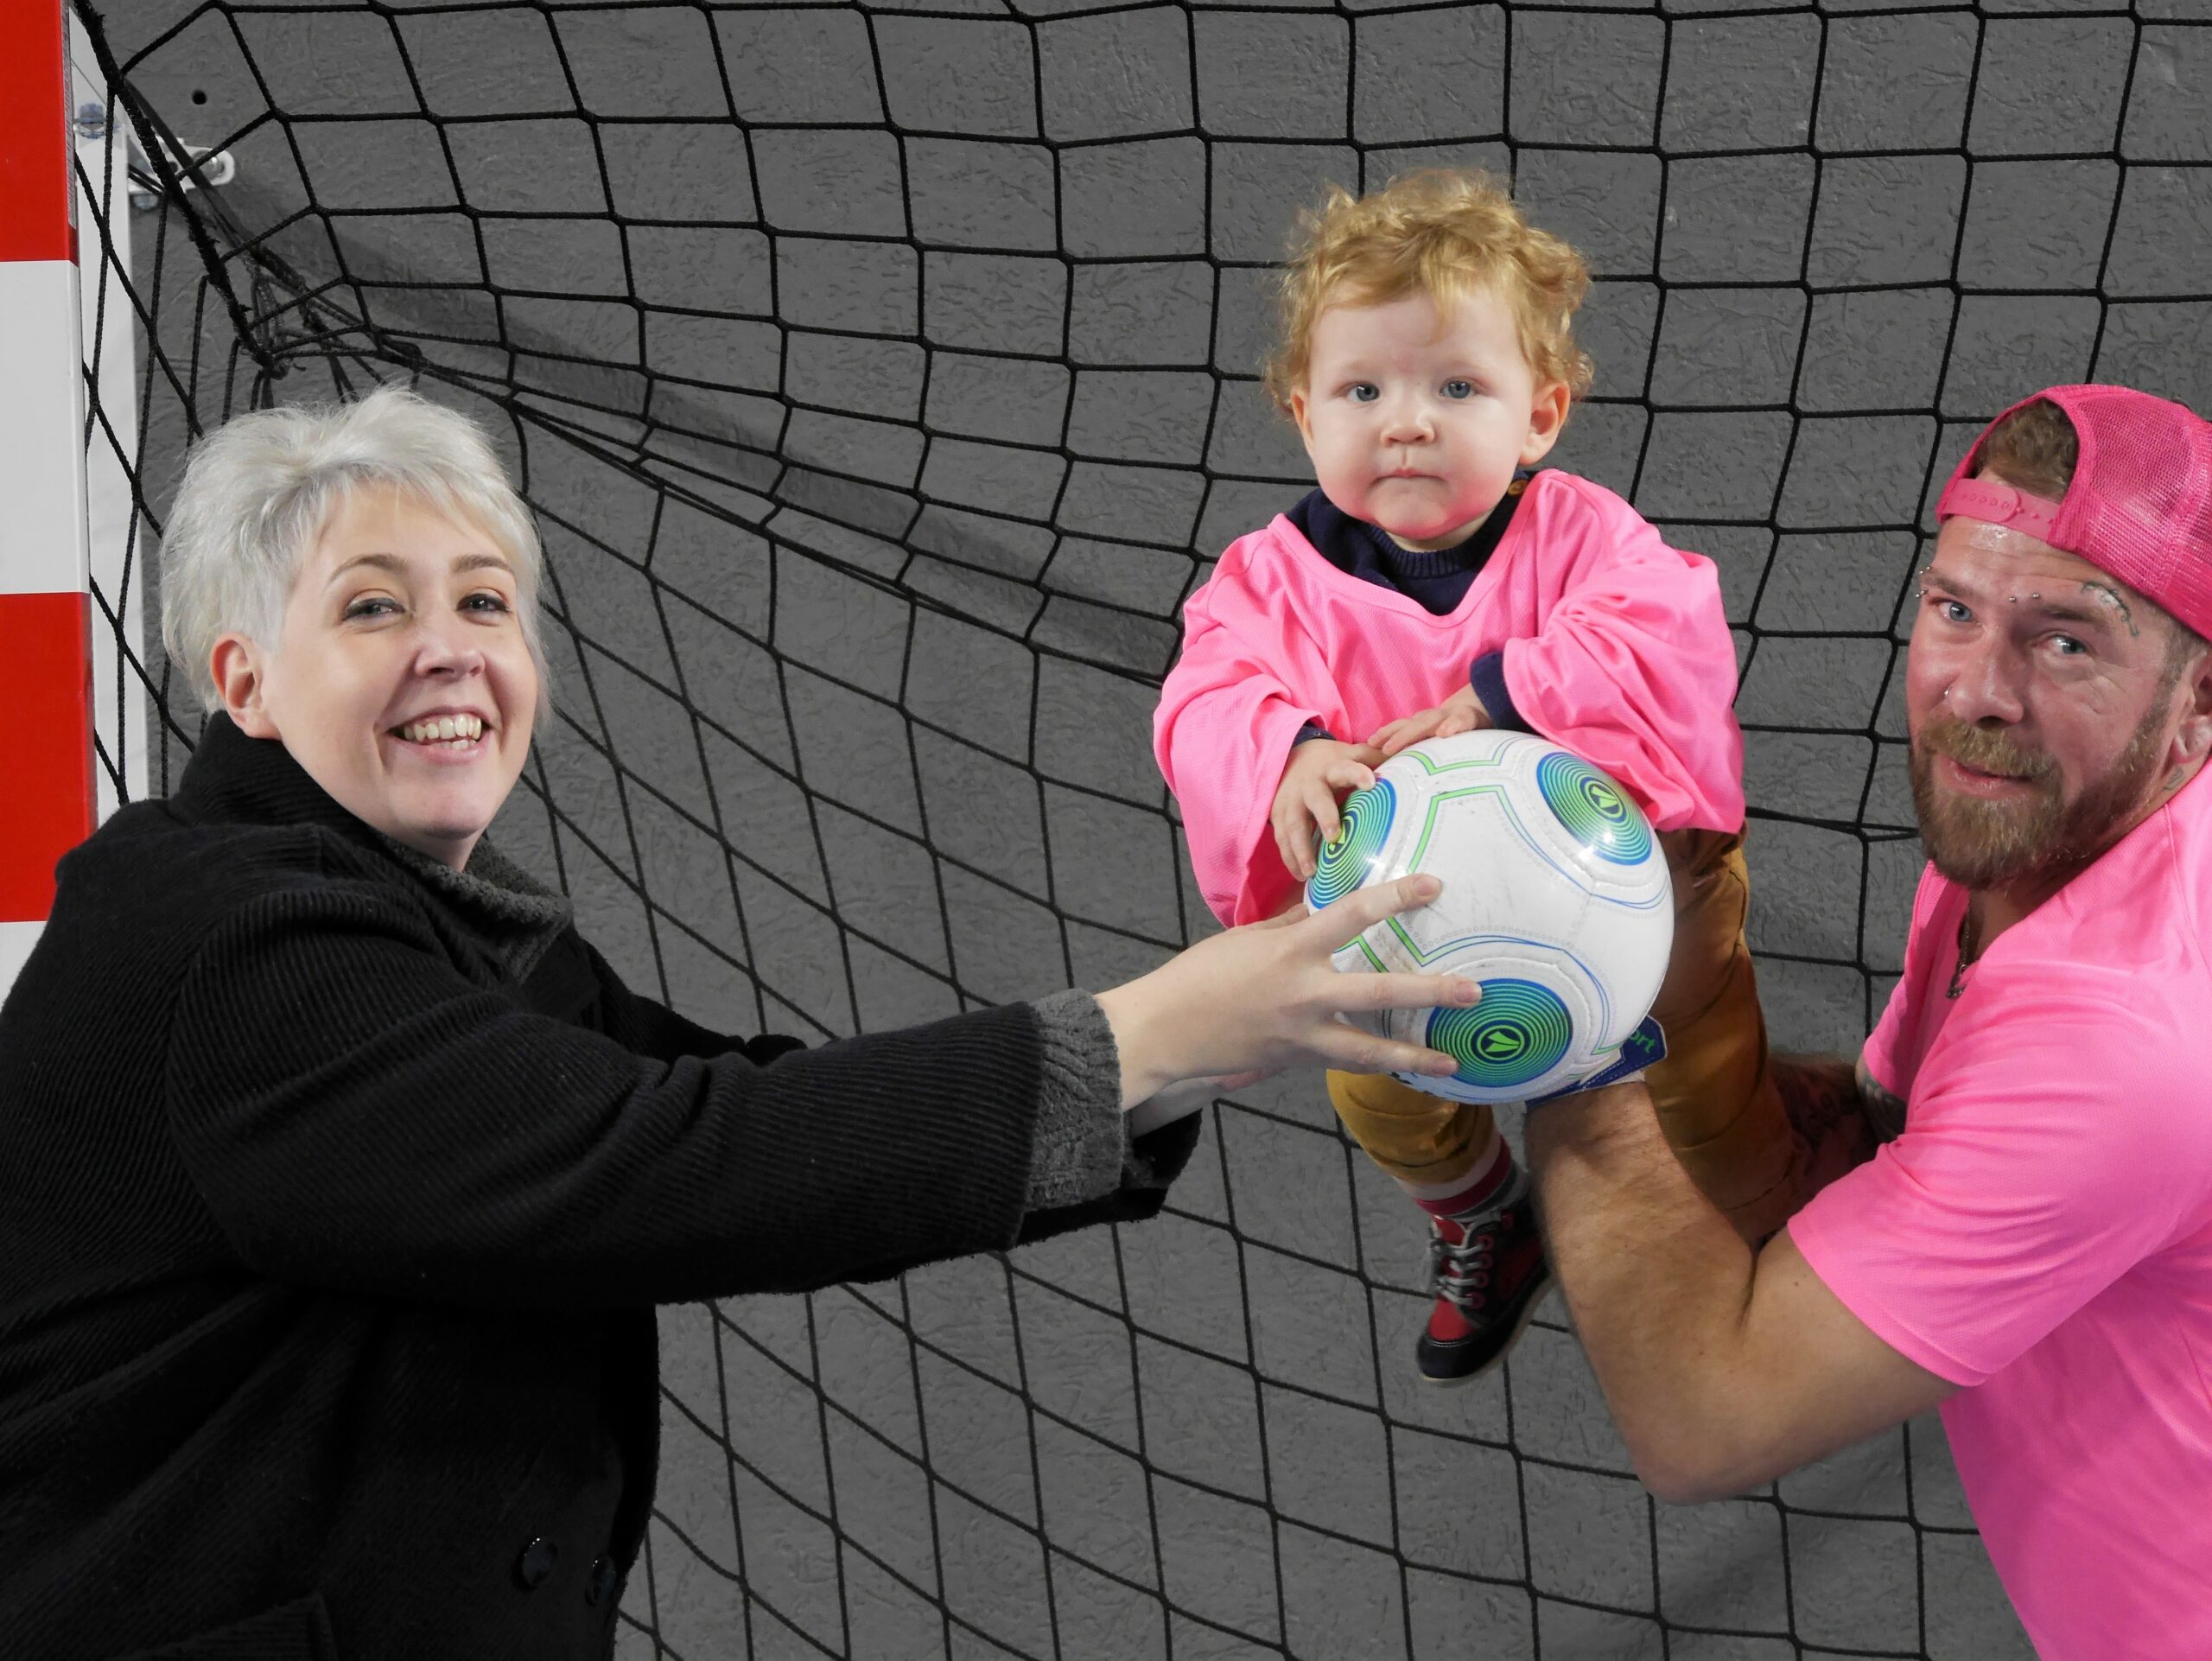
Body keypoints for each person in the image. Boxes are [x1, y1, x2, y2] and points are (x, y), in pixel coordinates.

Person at [0, 385, 1478, 1661]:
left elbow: (749, 1103)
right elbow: (683, 1163)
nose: (450, 648)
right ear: (242, 681)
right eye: (374, 604)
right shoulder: (233, 935)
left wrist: (1198, 1039)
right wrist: (1148, 1029)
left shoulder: (453, 939)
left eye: (486, 600)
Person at [1529, 384, 2212, 1658]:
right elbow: (1883, 1141)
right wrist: (1688, 1000)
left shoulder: (2124, 1030)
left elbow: (1704, 1414)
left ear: (2199, 703)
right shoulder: (2032, 826)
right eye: (1956, 609)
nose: (1979, 691)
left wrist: (1565, 1002)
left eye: (2067, 640)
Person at [1154, 169, 1795, 1384]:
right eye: (1363, 388)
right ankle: (1485, 1213)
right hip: (1412, 943)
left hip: (1640, 896)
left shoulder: (1584, 534)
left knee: (1710, 1075)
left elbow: (1669, 632)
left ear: (1540, 415)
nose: (1408, 420)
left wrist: (1501, 697)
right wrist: (1286, 749)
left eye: (1458, 386)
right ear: (1303, 412)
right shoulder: (1272, 577)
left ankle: (1766, 1201)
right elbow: (1204, 690)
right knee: (1380, 1096)